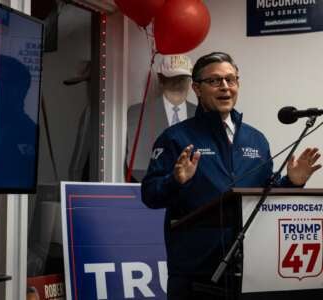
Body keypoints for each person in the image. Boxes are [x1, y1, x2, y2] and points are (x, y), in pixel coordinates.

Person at [141, 52, 321, 299]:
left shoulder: (256, 140)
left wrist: (292, 182)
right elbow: (150, 195)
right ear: (197, 88)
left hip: (249, 273)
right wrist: (176, 180)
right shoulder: (175, 138)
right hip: (195, 275)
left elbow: (263, 198)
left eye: (231, 79)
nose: (225, 87)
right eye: (215, 81)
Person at [126, 54, 197, 182]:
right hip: (149, 189)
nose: (178, 82)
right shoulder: (137, 113)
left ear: (191, 80)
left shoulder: (201, 114)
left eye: (182, 78)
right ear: (161, 79)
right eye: (172, 77)